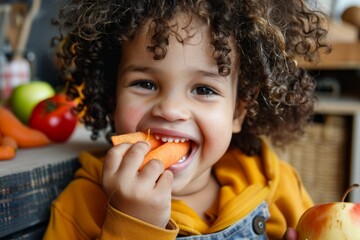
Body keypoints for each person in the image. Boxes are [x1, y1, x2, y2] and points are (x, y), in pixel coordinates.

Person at [44, 0, 330, 239]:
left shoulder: (277, 184)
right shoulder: (80, 207)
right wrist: (132, 224)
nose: (169, 109)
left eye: (204, 89)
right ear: (111, 96)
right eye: (145, 84)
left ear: (237, 112)